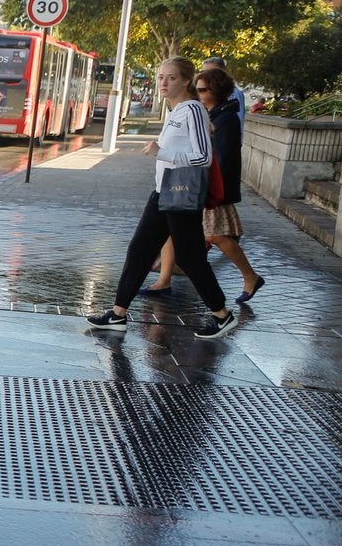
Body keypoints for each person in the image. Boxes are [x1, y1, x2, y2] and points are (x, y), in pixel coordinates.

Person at [86, 56, 237, 340]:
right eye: (160, 77)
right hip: (163, 193)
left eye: (171, 77)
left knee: (191, 259)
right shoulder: (176, 111)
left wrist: (161, 151)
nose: (164, 83)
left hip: (180, 196)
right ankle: (118, 314)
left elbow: (203, 157)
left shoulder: (192, 110)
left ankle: (222, 315)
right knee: (139, 251)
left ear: (185, 81)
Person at [140, 65, 263, 303]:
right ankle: (163, 280)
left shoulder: (225, 118)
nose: (199, 93)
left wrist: (210, 191)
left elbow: (220, 158)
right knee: (172, 232)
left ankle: (249, 277)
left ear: (216, 91)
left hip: (206, 188)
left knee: (216, 235)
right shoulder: (205, 112)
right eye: (198, 89)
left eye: (203, 89)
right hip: (190, 185)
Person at [201, 57, 246, 130]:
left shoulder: (234, 94)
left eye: (212, 72)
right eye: (204, 72)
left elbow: (238, 123)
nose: (206, 76)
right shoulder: (204, 92)